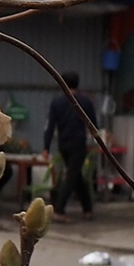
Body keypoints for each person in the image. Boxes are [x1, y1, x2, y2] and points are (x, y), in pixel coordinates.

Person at [43, 71, 98, 220]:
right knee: (72, 175)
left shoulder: (57, 102)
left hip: (63, 144)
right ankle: (59, 210)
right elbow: (93, 124)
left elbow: (50, 126)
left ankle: (87, 209)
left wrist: (46, 147)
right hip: (78, 143)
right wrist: (97, 141)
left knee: (76, 175)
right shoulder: (85, 101)